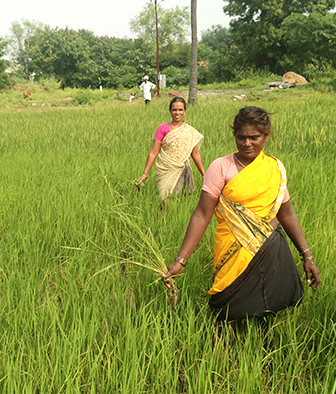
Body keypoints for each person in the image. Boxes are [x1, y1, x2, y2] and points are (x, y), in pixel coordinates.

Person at [162, 106, 321, 322]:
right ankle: (221, 353)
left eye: (254, 137)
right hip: (232, 251)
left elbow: (287, 214)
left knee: (267, 310)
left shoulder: (274, 168)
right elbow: (202, 214)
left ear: (266, 136)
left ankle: (261, 348)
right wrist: (181, 259)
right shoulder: (220, 167)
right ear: (234, 136)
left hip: (270, 249)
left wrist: (307, 255)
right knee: (226, 312)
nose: (247, 143)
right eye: (241, 137)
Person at [136, 97, 205, 202]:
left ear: (185, 111)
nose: (177, 113)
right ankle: (163, 217)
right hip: (166, 169)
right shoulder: (163, 128)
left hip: (183, 169)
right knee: (164, 198)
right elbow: (154, 152)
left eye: (180, 110)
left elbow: (195, 154)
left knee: (181, 200)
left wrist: (203, 174)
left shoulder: (189, 131)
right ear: (170, 111)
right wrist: (144, 174)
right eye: (174, 110)